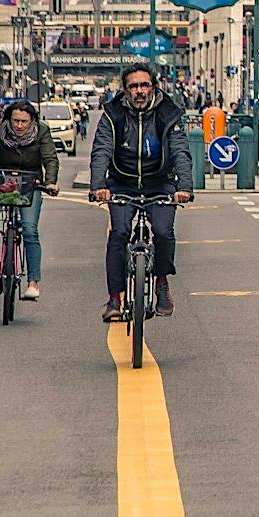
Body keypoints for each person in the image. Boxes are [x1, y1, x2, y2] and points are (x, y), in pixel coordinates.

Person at [90, 63, 194, 323]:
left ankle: (161, 282)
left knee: (163, 232)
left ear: (153, 87)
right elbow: (101, 150)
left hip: (160, 183)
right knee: (119, 234)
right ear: (124, 90)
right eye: (133, 86)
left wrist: (185, 188)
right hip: (122, 183)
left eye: (144, 85)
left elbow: (180, 151)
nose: (139, 91)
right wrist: (98, 186)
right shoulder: (112, 114)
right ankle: (115, 297)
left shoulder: (169, 114)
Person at [0, 97, 61, 301]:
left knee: (30, 229)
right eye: (15, 121)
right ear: (8, 120)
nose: (19, 125)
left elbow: (50, 158)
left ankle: (33, 283)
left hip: (31, 182)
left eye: (24, 122)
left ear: (32, 121)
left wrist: (50, 182)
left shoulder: (43, 131)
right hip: (2, 178)